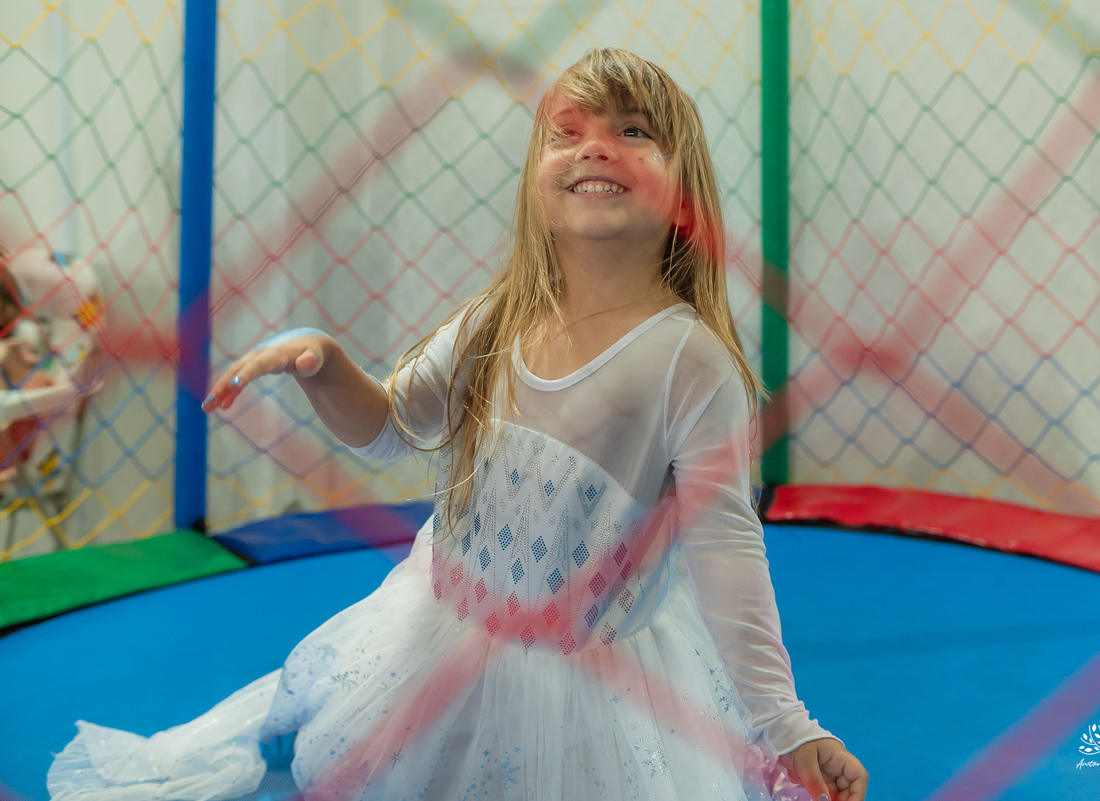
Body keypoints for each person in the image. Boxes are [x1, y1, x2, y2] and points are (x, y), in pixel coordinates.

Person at [49, 49, 868, 801]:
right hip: (439, 628)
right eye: (567, 133)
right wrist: (327, 364)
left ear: (683, 187)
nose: (594, 148)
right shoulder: (497, 318)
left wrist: (786, 722)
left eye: (634, 131)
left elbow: (727, 550)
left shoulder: (691, 364)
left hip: (584, 679)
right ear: (535, 178)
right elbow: (389, 423)